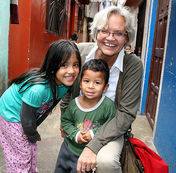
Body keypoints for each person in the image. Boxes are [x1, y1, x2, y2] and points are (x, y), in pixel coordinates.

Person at [60, 6, 143, 173]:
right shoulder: (80, 53)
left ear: (127, 37)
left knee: (105, 162)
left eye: (118, 33)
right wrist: (65, 119)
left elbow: (126, 113)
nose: (110, 38)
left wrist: (93, 146)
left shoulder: (133, 65)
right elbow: (67, 89)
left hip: (111, 127)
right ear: (96, 32)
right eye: (104, 31)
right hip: (80, 123)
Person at [0, 40, 81, 173]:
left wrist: (32, 130)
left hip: (26, 117)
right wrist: (31, 133)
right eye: (64, 65)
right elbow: (26, 116)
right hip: (10, 114)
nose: (71, 71)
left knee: (30, 150)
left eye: (75, 65)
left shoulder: (64, 85)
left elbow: (46, 109)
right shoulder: (38, 90)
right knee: (20, 156)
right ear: (52, 66)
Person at [55, 59, 116, 173]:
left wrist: (93, 133)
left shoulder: (108, 106)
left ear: (105, 87)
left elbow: (111, 125)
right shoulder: (74, 104)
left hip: (89, 154)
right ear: (80, 84)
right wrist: (76, 134)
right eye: (86, 81)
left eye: (97, 82)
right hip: (68, 149)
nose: (91, 86)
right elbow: (66, 121)